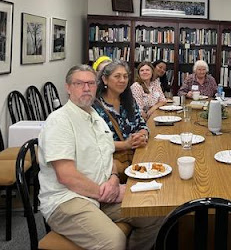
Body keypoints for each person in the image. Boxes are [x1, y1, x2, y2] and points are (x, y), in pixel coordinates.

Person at [38, 64, 161, 250]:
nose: (86, 88)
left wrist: (112, 178)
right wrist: (108, 193)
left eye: (90, 83)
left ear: (97, 86)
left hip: (101, 192)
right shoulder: (59, 121)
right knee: (114, 241)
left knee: (154, 213)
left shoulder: (94, 115)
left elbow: (107, 154)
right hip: (67, 199)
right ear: (68, 87)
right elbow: (66, 176)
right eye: (79, 83)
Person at [93, 60, 149, 181]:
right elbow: (93, 142)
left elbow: (141, 124)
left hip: (135, 158)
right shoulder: (94, 107)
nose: (122, 80)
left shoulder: (128, 101)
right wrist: (125, 144)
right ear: (105, 79)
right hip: (108, 167)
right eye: (117, 76)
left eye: (125, 76)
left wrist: (142, 136)